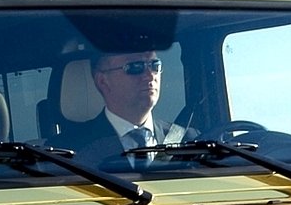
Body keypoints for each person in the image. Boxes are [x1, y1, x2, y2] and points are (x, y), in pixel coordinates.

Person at [62, 49, 195, 167]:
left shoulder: (191, 142)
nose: (150, 76)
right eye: (135, 67)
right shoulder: (65, 153)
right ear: (103, 81)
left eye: (155, 66)